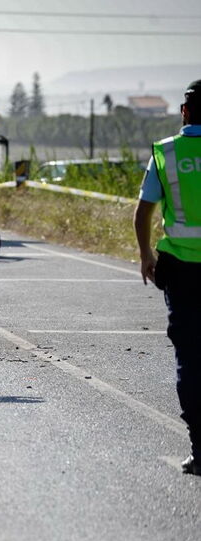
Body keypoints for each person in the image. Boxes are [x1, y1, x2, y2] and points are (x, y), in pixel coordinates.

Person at [134, 80, 201, 476]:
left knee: (191, 358)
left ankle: (200, 447)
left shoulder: (167, 152)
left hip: (182, 272)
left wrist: (145, 255)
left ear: (184, 112)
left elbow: (143, 212)